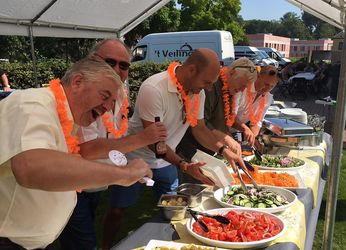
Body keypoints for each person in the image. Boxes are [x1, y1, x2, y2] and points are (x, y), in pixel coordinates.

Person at [0, 58, 152, 250]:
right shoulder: (31, 102)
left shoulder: (69, 120)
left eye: (112, 102)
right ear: (77, 82)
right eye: (105, 96)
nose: (107, 108)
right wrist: (124, 175)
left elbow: (63, 168)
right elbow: (31, 166)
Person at [102, 48, 245, 249]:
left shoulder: (199, 92)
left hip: (166, 160)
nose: (210, 88)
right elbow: (154, 141)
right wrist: (184, 165)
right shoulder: (154, 87)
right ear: (192, 70)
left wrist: (224, 151)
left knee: (176, 211)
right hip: (134, 158)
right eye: (207, 81)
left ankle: (166, 243)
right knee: (118, 210)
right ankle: (107, 246)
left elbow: (200, 129)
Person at [59, 39, 167, 250]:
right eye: (110, 62)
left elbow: (114, 140)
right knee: (83, 243)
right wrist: (144, 139)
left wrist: (129, 169)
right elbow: (88, 149)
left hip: (97, 183)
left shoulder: (120, 95)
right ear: (92, 61)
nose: (118, 69)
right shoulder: (83, 94)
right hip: (72, 185)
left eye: (124, 65)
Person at [176, 57, 258, 161]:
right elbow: (201, 123)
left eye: (245, 87)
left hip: (210, 150)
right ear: (232, 73)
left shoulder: (230, 90)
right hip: (192, 151)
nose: (242, 90)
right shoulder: (212, 85)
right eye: (242, 85)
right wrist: (226, 139)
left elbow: (223, 121)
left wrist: (229, 137)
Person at [235, 65, 280, 143]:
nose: (268, 89)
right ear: (258, 76)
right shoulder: (243, 88)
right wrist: (245, 129)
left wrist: (253, 139)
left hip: (238, 133)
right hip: (221, 129)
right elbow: (230, 116)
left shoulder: (268, 98)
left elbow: (257, 122)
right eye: (266, 84)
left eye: (272, 86)